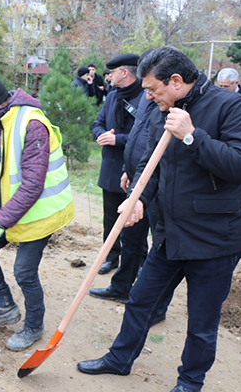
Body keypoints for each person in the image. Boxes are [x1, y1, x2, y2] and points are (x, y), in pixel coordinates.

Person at [77, 46, 241, 392]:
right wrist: (138, 198)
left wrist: (192, 135)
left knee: (201, 322)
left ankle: (190, 382)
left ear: (177, 81)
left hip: (215, 239)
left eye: (152, 89)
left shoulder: (230, 106)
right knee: (140, 299)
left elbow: (236, 166)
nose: (148, 97)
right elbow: (150, 165)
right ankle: (119, 359)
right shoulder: (160, 108)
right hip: (170, 233)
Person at [0, 75, 74, 350]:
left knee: (24, 271)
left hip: (41, 211)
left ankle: (33, 326)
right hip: (14, 205)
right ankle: (5, 307)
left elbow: (32, 185)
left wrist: (1, 221)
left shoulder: (31, 125)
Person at [88, 55, 169, 323]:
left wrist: (118, 141)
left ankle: (155, 305)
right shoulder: (127, 97)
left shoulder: (159, 102)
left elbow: (154, 143)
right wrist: (127, 168)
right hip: (131, 177)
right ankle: (122, 287)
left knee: (158, 246)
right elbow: (139, 139)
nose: (148, 94)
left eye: (152, 87)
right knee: (130, 237)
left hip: (154, 185)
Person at [90, 54, 143, 276]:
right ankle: (110, 256)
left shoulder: (145, 98)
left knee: (136, 221)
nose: (108, 76)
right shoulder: (111, 96)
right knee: (110, 216)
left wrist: (117, 139)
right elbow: (97, 123)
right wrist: (102, 135)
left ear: (125, 72)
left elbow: (146, 135)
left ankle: (139, 261)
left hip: (134, 168)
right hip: (111, 166)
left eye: (112, 72)